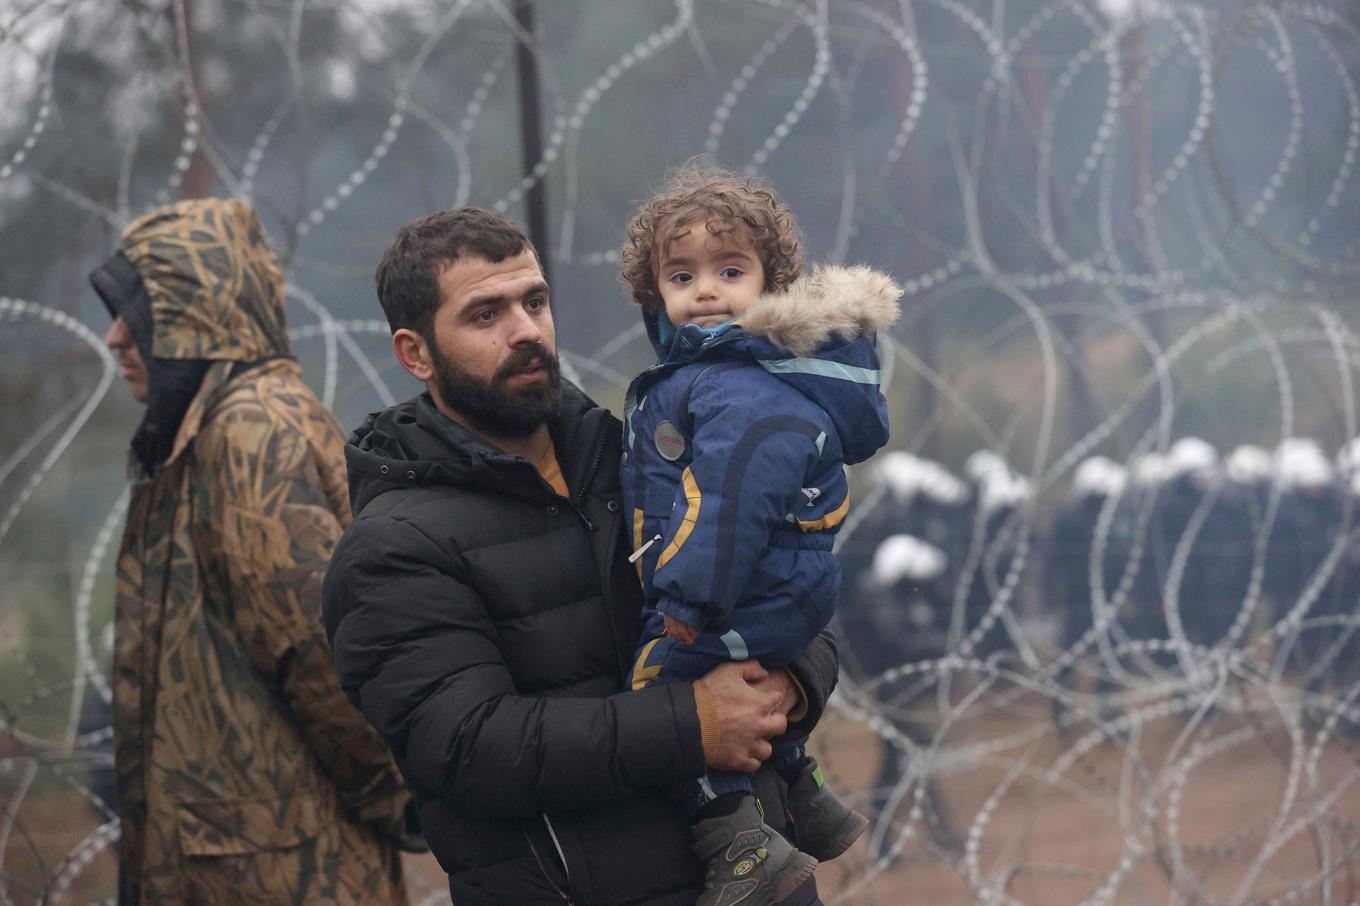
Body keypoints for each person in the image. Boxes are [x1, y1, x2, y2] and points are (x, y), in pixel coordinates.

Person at [322, 207, 840, 905]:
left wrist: (790, 686)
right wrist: (697, 724)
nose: (527, 330)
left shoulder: (641, 456)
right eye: (485, 315)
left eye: (534, 301)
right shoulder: (395, 548)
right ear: (416, 354)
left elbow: (787, 587)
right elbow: (472, 747)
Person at [90, 198, 415, 905]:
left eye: (138, 313)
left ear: (195, 315)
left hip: (285, 872)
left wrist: (394, 797)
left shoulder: (253, 432)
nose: (115, 338)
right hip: (238, 861)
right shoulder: (205, 430)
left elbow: (318, 649)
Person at [617, 164, 900, 904]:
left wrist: (683, 597)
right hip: (776, 590)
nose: (705, 290)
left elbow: (727, 503)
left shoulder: (737, 384)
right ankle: (801, 790)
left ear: (774, 288)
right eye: (682, 276)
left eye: (730, 270)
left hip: (737, 590)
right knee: (739, 690)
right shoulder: (730, 374)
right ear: (657, 295)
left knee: (660, 694)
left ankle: (738, 842)